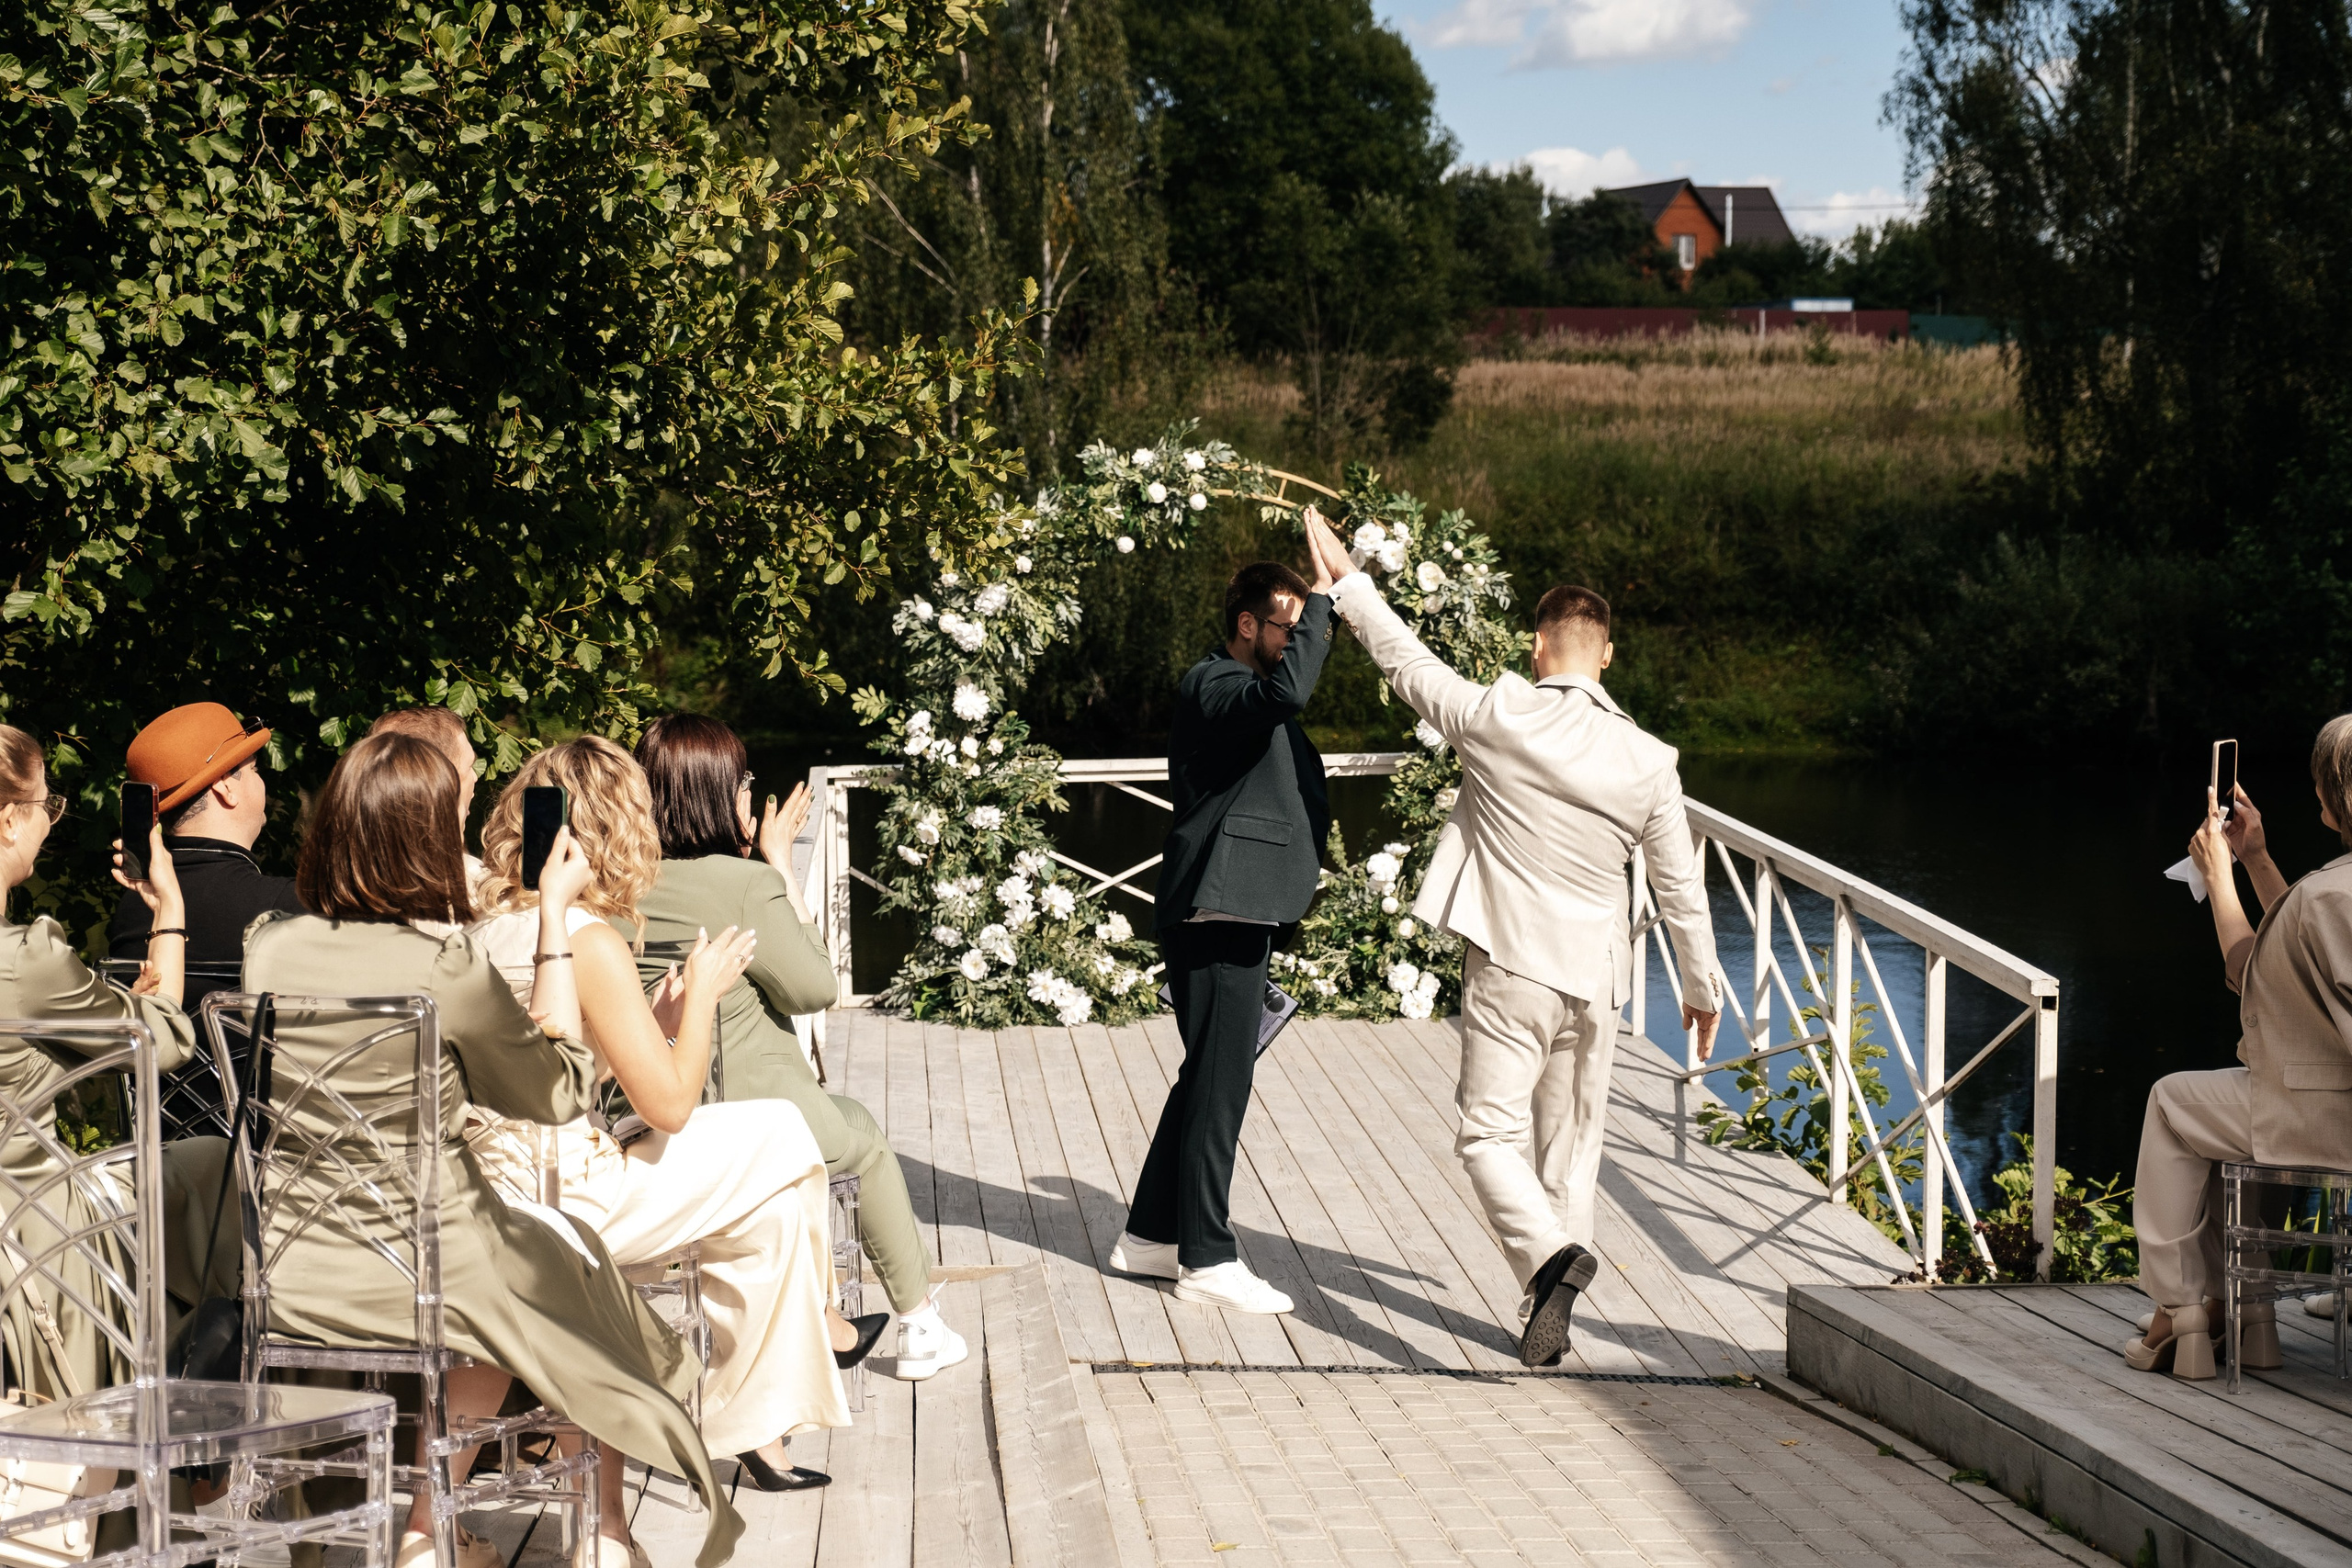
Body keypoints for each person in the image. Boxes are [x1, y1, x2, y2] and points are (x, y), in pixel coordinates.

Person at [238, 732, 741, 1568]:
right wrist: (552, 918)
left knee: (571, 1254)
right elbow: (552, 1092)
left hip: (293, 1263)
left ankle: (468, 1531)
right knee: (581, 1267)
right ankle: (602, 1532)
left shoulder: (269, 948)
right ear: (424, 838)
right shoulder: (445, 966)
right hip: (428, 1258)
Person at [1300, 510, 1722, 1367]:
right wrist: (1701, 988)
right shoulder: (1650, 760)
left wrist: (1347, 584)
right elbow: (1682, 887)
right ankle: (1547, 1305)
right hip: (1597, 980)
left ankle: (1549, 1260)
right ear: (1606, 655)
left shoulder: (1499, 716)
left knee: (1488, 1137)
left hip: (1510, 967)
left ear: (1537, 646)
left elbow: (1405, 661)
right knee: (1569, 1150)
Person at [467, 737, 883, 1494]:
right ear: (616, 829)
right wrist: (702, 993)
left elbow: (564, 1059)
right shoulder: (586, 939)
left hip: (491, 1184)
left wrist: (657, 1014)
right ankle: (759, 1399)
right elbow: (671, 1105)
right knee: (784, 1137)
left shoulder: (486, 928)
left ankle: (760, 1421)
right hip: (571, 1197)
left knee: (772, 1194)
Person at [630, 715, 966, 1381]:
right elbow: (816, 987)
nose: (752, 793)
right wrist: (780, 866)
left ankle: (829, 1314)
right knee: (862, 1134)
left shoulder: (622, 887)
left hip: (650, 1114)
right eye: (746, 780)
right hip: (749, 1116)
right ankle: (919, 1321)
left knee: (847, 1122)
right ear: (720, 793)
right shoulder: (744, 884)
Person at [1108, 555, 1337, 1316]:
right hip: (1215, 904)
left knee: (1209, 1074)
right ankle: (1205, 1255)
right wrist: (1329, 598)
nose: (1297, 636)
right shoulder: (1215, 683)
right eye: (1288, 624)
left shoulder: (1247, 693)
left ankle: (1149, 1235)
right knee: (1220, 1081)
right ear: (1247, 624)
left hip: (1239, 902)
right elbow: (1290, 690)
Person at [2126, 723, 2352, 1380]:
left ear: (2333, 798)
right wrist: (2255, 860)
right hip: (2319, 1104)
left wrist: (2219, 876)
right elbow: (2306, 951)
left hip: (2325, 1117)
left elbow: (2253, 972)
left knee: (2174, 1103)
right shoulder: (2327, 894)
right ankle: (2251, 1315)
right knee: (2249, 1112)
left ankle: (2184, 1307)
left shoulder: (2329, 891)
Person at [0, 722, 200, 1398]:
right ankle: (209, 1432)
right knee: (215, 1174)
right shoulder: (27, 957)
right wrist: (168, 910)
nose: (50, 824)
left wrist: (113, 1010)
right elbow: (165, 1042)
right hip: (33, 1235)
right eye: (46, 807)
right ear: (8, 820)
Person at [107, 702, 300, 1007]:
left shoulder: (133, 906)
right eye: (255, 769)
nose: (262, 780)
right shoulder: (288, 905)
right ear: (225, 787)